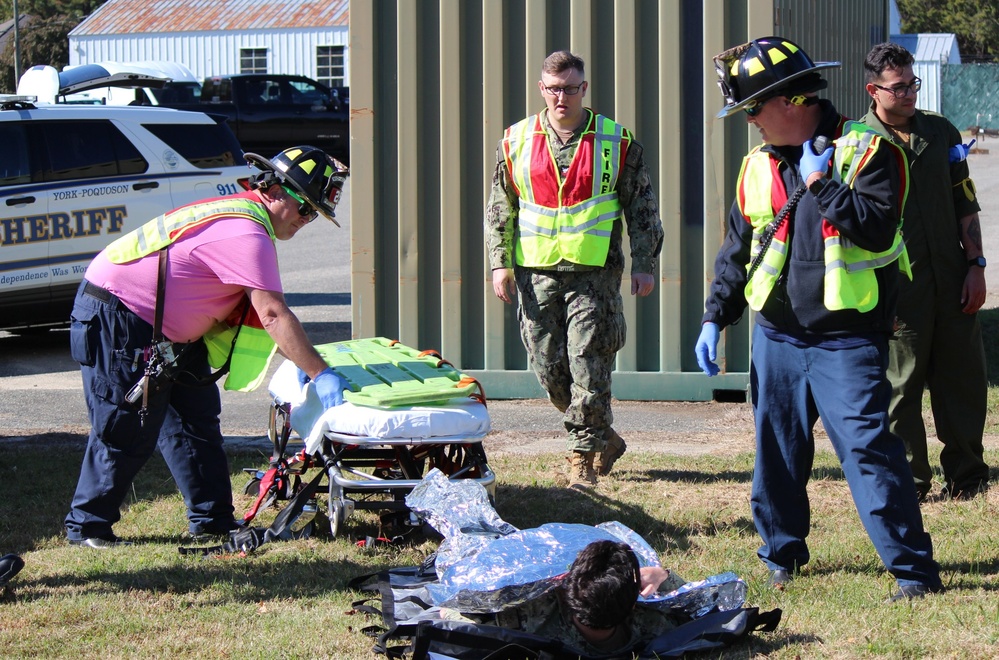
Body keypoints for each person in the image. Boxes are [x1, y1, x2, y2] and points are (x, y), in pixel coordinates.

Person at [694, 36, 943, 601]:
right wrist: (716, 316)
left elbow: (878, 227)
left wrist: (820, 183)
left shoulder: (870, 152)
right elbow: (740, 249)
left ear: (788, 103)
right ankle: (780, 553)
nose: (751, 124)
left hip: (848, 341)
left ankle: (912, 572)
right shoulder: (757, 164)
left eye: (753, 110)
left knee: (868, 451)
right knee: (776, 449)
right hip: (777, 336)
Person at [65, 146, 350, 548]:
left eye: (314, 215)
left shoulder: (246, 217)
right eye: (305, 209)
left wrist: (306, 359)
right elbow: (272, 314)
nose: (307, 221)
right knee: (126, 423)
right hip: (120, 316)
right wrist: (321, 372)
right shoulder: (246, 231)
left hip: (162, 327)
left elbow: (264, 316)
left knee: (196, 419)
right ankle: (87, 527)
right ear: (277, 190)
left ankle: (212, 519)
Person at [485, 50, 664, 489]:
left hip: (594, 272)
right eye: (552, 88)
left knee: (589, 360)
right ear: (541, 88)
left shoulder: (615, 140)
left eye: (569, 88)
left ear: (584, 88)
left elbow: (641, 206)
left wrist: (644, 263)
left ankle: (582, 455)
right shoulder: (516, 140)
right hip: (536, 272)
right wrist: (499, 262)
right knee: (548, 367)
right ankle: (604, 436)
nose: (560, 96)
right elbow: (500, 206)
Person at [859, 43, 989, 502]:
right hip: (896, 286)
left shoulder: (941, 131)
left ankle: (968, 475)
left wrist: (975, 265)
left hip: (952, 277)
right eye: (899, 88)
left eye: (912, 84)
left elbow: (964, 201)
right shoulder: (858, 142)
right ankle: (911, 481)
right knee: (900, 386)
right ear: (873, 90)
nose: (909, 94)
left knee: (963, 380)